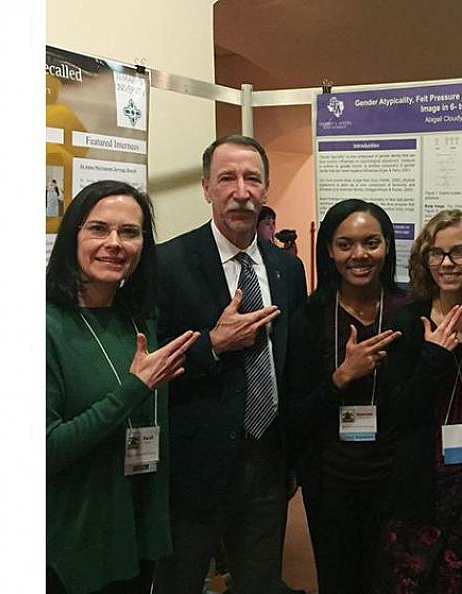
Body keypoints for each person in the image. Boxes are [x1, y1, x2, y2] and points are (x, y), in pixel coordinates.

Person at [152, 135, 308, 594]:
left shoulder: (286, 268)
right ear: (206, 188)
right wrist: (213, 344)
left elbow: (292, 360)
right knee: (180, 581)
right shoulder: (168, 263)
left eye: (252, 178)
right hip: (194, 464)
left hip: (267, 459)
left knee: (259, 581)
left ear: (265, 188)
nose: (241, 191)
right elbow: (148, 360)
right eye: (227, 178)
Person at [46, 180, 199, 594]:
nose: (114, 243)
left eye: (129, 232)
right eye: (98, 229)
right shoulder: (43, 326)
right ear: (72, 237)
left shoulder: (138, 319)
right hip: (72, 546)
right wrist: (134, 388)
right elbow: (45, 451)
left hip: (136, 535)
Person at [289, 199, 406, 594]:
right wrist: (341, 377)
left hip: (394, 480)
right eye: (345, 244)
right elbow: (294, 416)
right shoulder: (309, 316)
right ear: (329, 250)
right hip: (331, 482)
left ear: (388, 246)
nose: (359, 255)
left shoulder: (407, 313)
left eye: (371, 242)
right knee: (339, 580)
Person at [380, 209, 462, 593]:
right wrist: (433, 360)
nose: (446, 263)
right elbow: (398, 411)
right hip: (425, 481)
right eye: (436, 253)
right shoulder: (409, 320)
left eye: (458, 252)